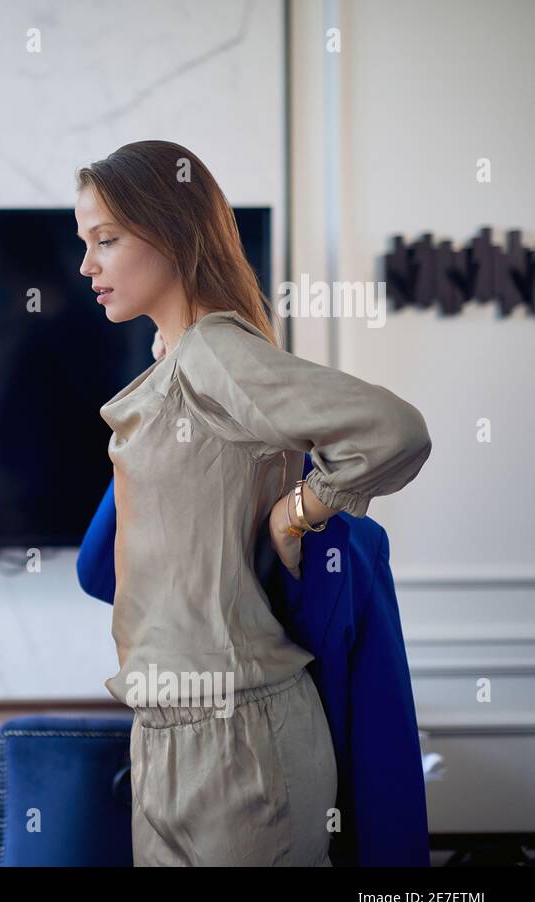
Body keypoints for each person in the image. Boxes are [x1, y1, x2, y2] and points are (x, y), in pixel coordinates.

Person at [74, 140, 432, 865]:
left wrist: (302, 508)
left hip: (237, 735)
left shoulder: (214, 355)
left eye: (106, 240)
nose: (87, 266)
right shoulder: (177, 365)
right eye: (85, 244)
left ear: (172, 234)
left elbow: (395, 432)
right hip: (166, 729)